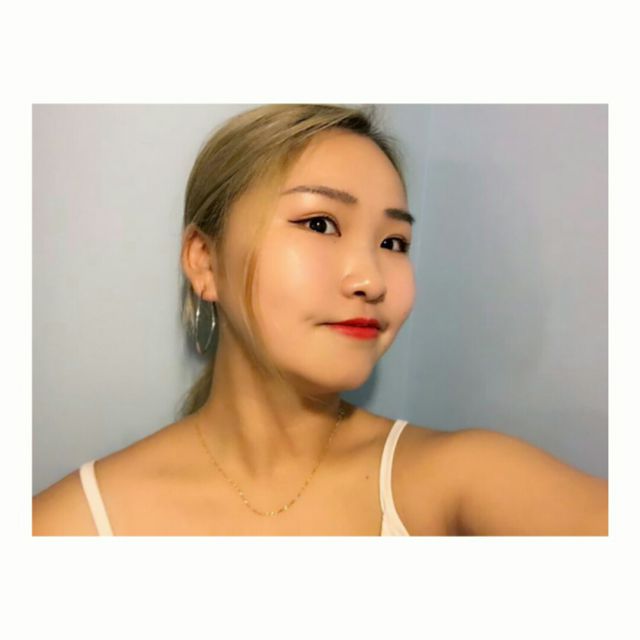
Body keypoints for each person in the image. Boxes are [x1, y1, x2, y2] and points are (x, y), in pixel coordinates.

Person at [32, 104, 608, 536]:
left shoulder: (459, 478)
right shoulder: (74, 525)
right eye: (319, 224)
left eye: (393, 242)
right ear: (205, 261)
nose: (372, 280)